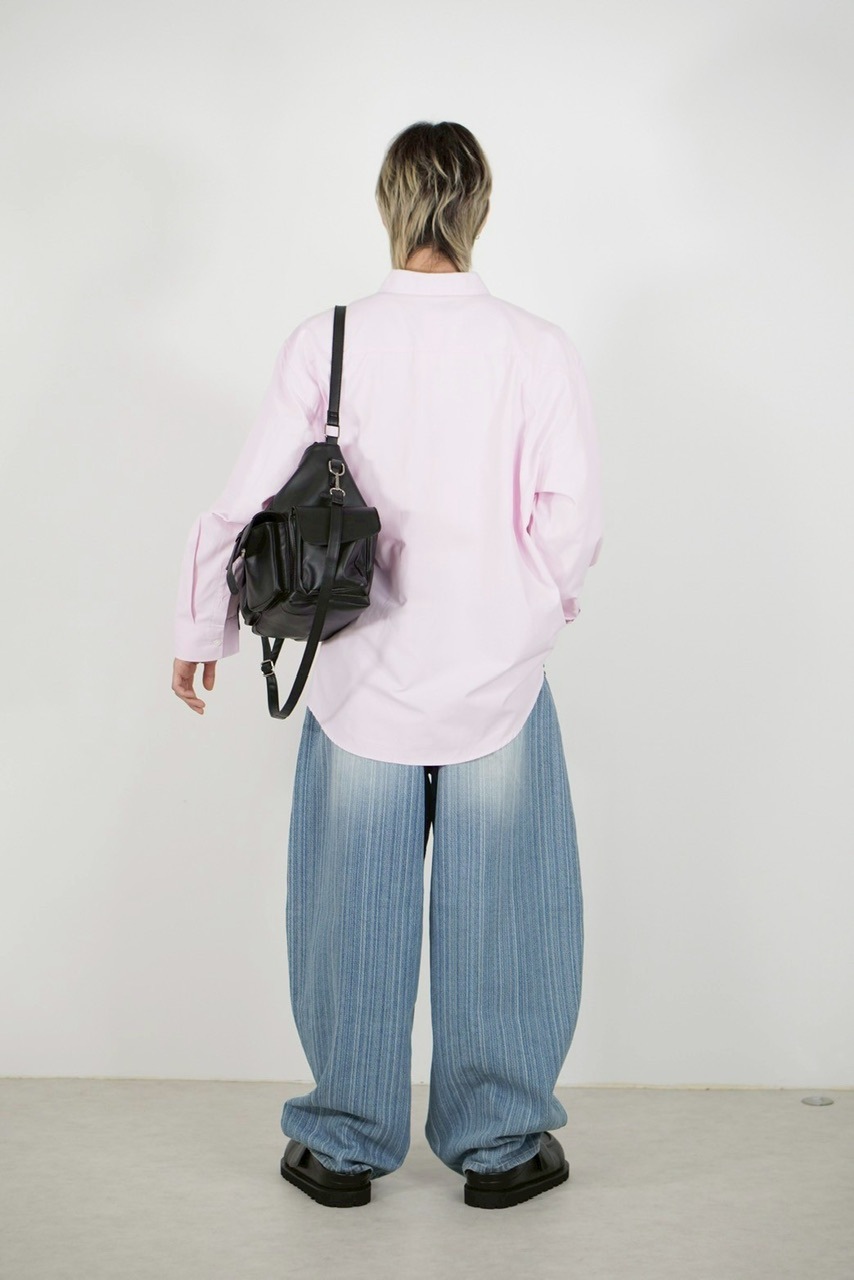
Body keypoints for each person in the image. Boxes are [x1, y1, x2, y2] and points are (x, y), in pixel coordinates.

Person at [171, 120, 604, 1210]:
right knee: (504, 916)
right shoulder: (535, 347)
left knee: (349, 913)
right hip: (499, 678)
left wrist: (200, 627)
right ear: (479, 205)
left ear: (388, 203)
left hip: (359, 673)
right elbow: (571, 522)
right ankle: (499, 1145)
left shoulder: (328, 342)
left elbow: (246, 501)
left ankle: (344, 1141)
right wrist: (532, 610)